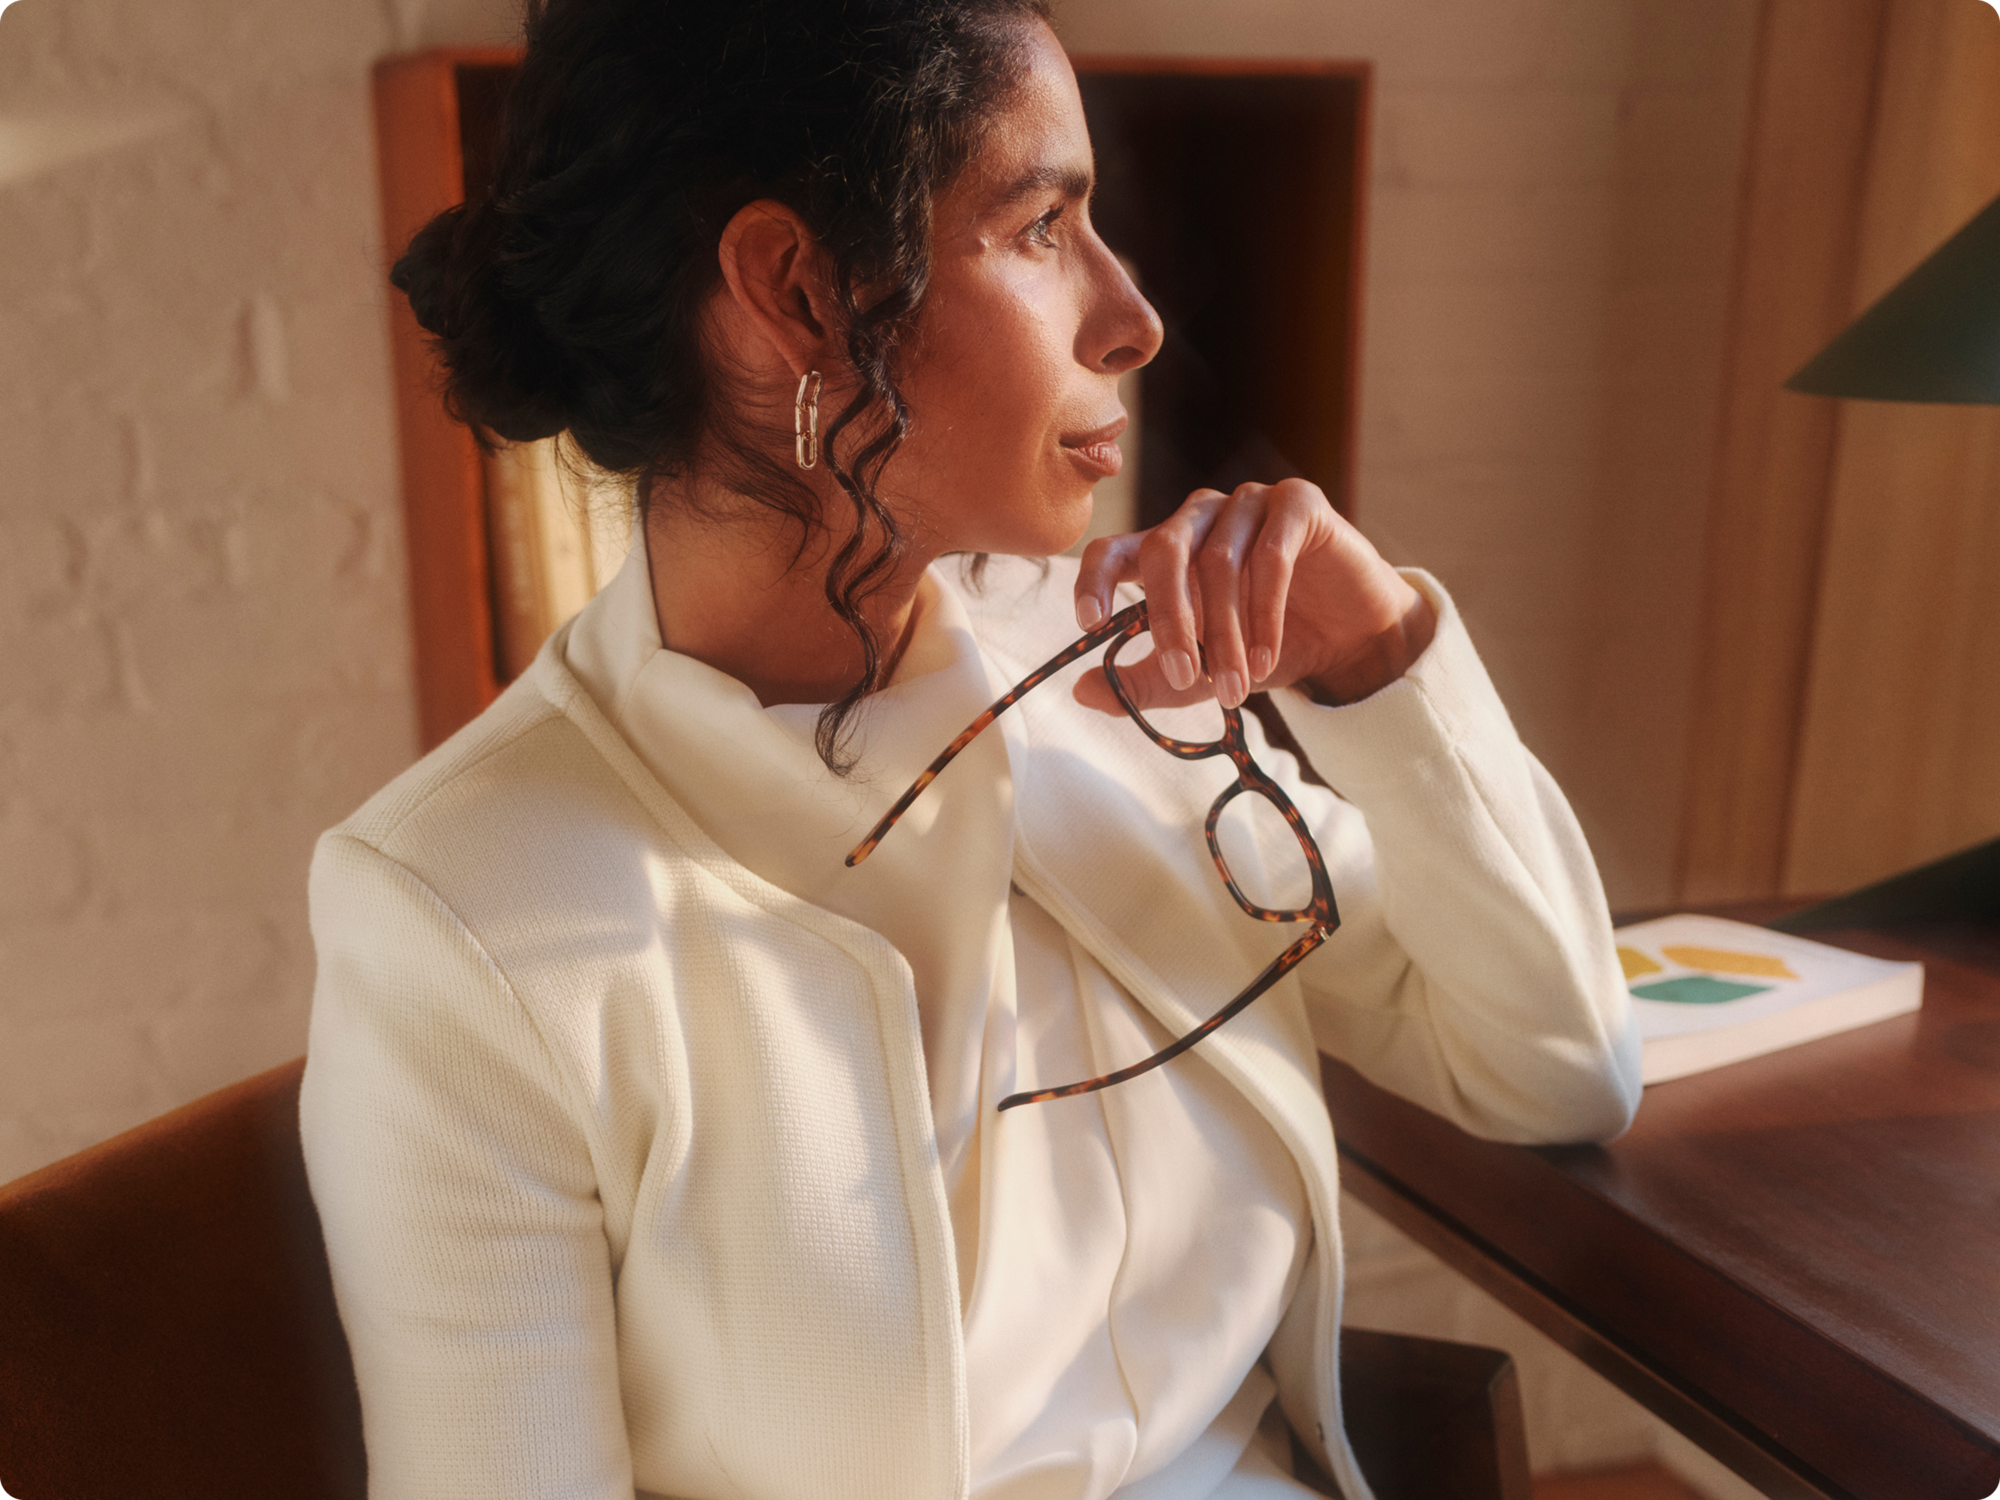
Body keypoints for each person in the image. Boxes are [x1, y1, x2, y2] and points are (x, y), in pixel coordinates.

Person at [299, 1, 1643, 1496]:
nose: (1132, 316)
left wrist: (1379, 662)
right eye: (1042, 225)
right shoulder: (465, 917)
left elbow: (1553, 1068)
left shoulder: (1117, 676)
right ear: (796, 290)